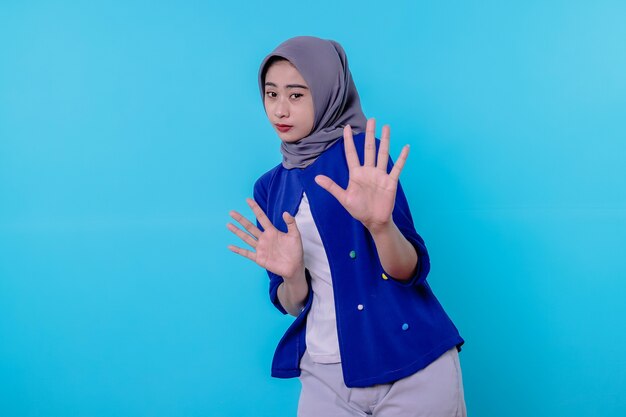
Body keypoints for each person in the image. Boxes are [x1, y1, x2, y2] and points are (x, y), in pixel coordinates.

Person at [227, 36, 467, 417]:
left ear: (327, 92)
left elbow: (409, 271)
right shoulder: (270, 186)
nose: (280, 109)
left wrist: (380, 226)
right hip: (325, 375)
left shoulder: (364, 160)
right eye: (271, 94)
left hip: (410, 365)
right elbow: (293, 304)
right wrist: (291, 277)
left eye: (296, 95)